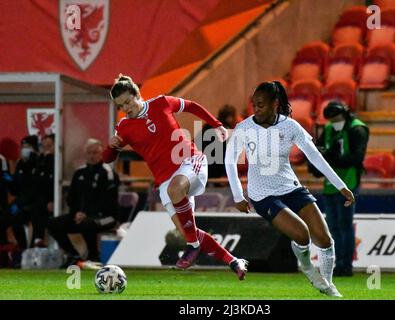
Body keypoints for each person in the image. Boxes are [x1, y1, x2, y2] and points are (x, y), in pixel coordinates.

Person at [103, 74, 248, 280]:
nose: (126, 108)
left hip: (190, 162)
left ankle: (193, 247)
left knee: (178, 198)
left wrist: (216, 125)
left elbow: (191, 106)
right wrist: (111, 146)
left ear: (138, 95)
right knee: (189, 231)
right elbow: (108, 158)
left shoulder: (160, 103)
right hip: (165, 181)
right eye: (121, 106)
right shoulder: (124, 128)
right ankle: (234, 261)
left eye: (128, 101)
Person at [225, 81, 355, 297]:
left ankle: (328, 285)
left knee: (325, 239)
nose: (256, 109)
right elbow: (230, 161)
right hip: (262, 194)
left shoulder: (290, 126)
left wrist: (341, 185)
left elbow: (315, 156)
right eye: (254, 105)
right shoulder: (244, 128)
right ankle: (308, 270)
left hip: (290, 187)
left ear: (275, 104)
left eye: (261, 105)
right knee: (302, 235)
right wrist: (238, 195)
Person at [311, 101, 369, 277]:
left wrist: (331, 158)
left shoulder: (357, 129)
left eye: (336, 118)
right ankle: (337, 263)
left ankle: (346, 264)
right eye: (331, 119)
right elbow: (318, 152)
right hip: (330, 184)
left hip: (348, 182)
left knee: (344, 226)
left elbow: (357, 157)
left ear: (344, 114)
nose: (333, 121)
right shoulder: (329, 129)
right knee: (333, 227)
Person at [48, 139, 120, 268]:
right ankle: (74, 256)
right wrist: (76, 212)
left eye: (95, 152)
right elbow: (71, 198)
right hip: (81, 216)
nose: (92, 156)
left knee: (87, 224)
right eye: (89, 153)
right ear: (85, 154)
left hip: (106, 216)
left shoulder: (107, 173)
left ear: (101, 153)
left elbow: (108, 201)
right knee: (54, 223)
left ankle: (93, 256)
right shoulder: (79, 173)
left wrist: (87, 214)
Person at [8, 135, 40, 249]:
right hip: (21, 203)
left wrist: (20, 203)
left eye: (28, 146)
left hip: (35, 203)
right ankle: (22, 248)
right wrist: (9, 181)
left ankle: (31, 249)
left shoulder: (39, 163)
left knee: (36, 217)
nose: (24, 149)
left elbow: (35, 188)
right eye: (23, 146)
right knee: (11, 218)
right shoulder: (20, 164)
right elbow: (16, 189)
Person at [196, 104, 239, 180]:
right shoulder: (226, 132)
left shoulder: (207, 126)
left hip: (201, 171)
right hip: (215, 175)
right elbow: (226, 156)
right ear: (230, 118)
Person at [29, 134, 55, 247]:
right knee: (35, 207)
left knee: (38, 208)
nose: (46, 149)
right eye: (44, 147)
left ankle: (36, 242)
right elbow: (37, 183)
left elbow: (54, 182)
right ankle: (35, 243)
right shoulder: (40, 162)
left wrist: (52, 200)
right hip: (41, 201)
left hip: (55, 200)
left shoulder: (58, 162)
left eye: (49, 146)